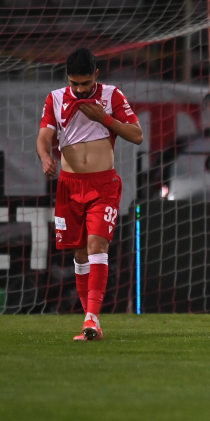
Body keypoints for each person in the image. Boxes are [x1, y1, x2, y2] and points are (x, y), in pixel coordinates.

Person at [36, 48, 143, 341]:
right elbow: (44, 137)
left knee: (97, 246)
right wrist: (45, 157)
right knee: (80, 252)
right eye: (75, 83)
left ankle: (92, 319)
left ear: (96, 75)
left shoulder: (112, 97)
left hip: (103, 186)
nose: (81, 89)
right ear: (68, 79)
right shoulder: (55, 99)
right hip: (69, 187)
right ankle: (89, 319)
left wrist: (104, 119)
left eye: (86, 83)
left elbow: (137, 135)